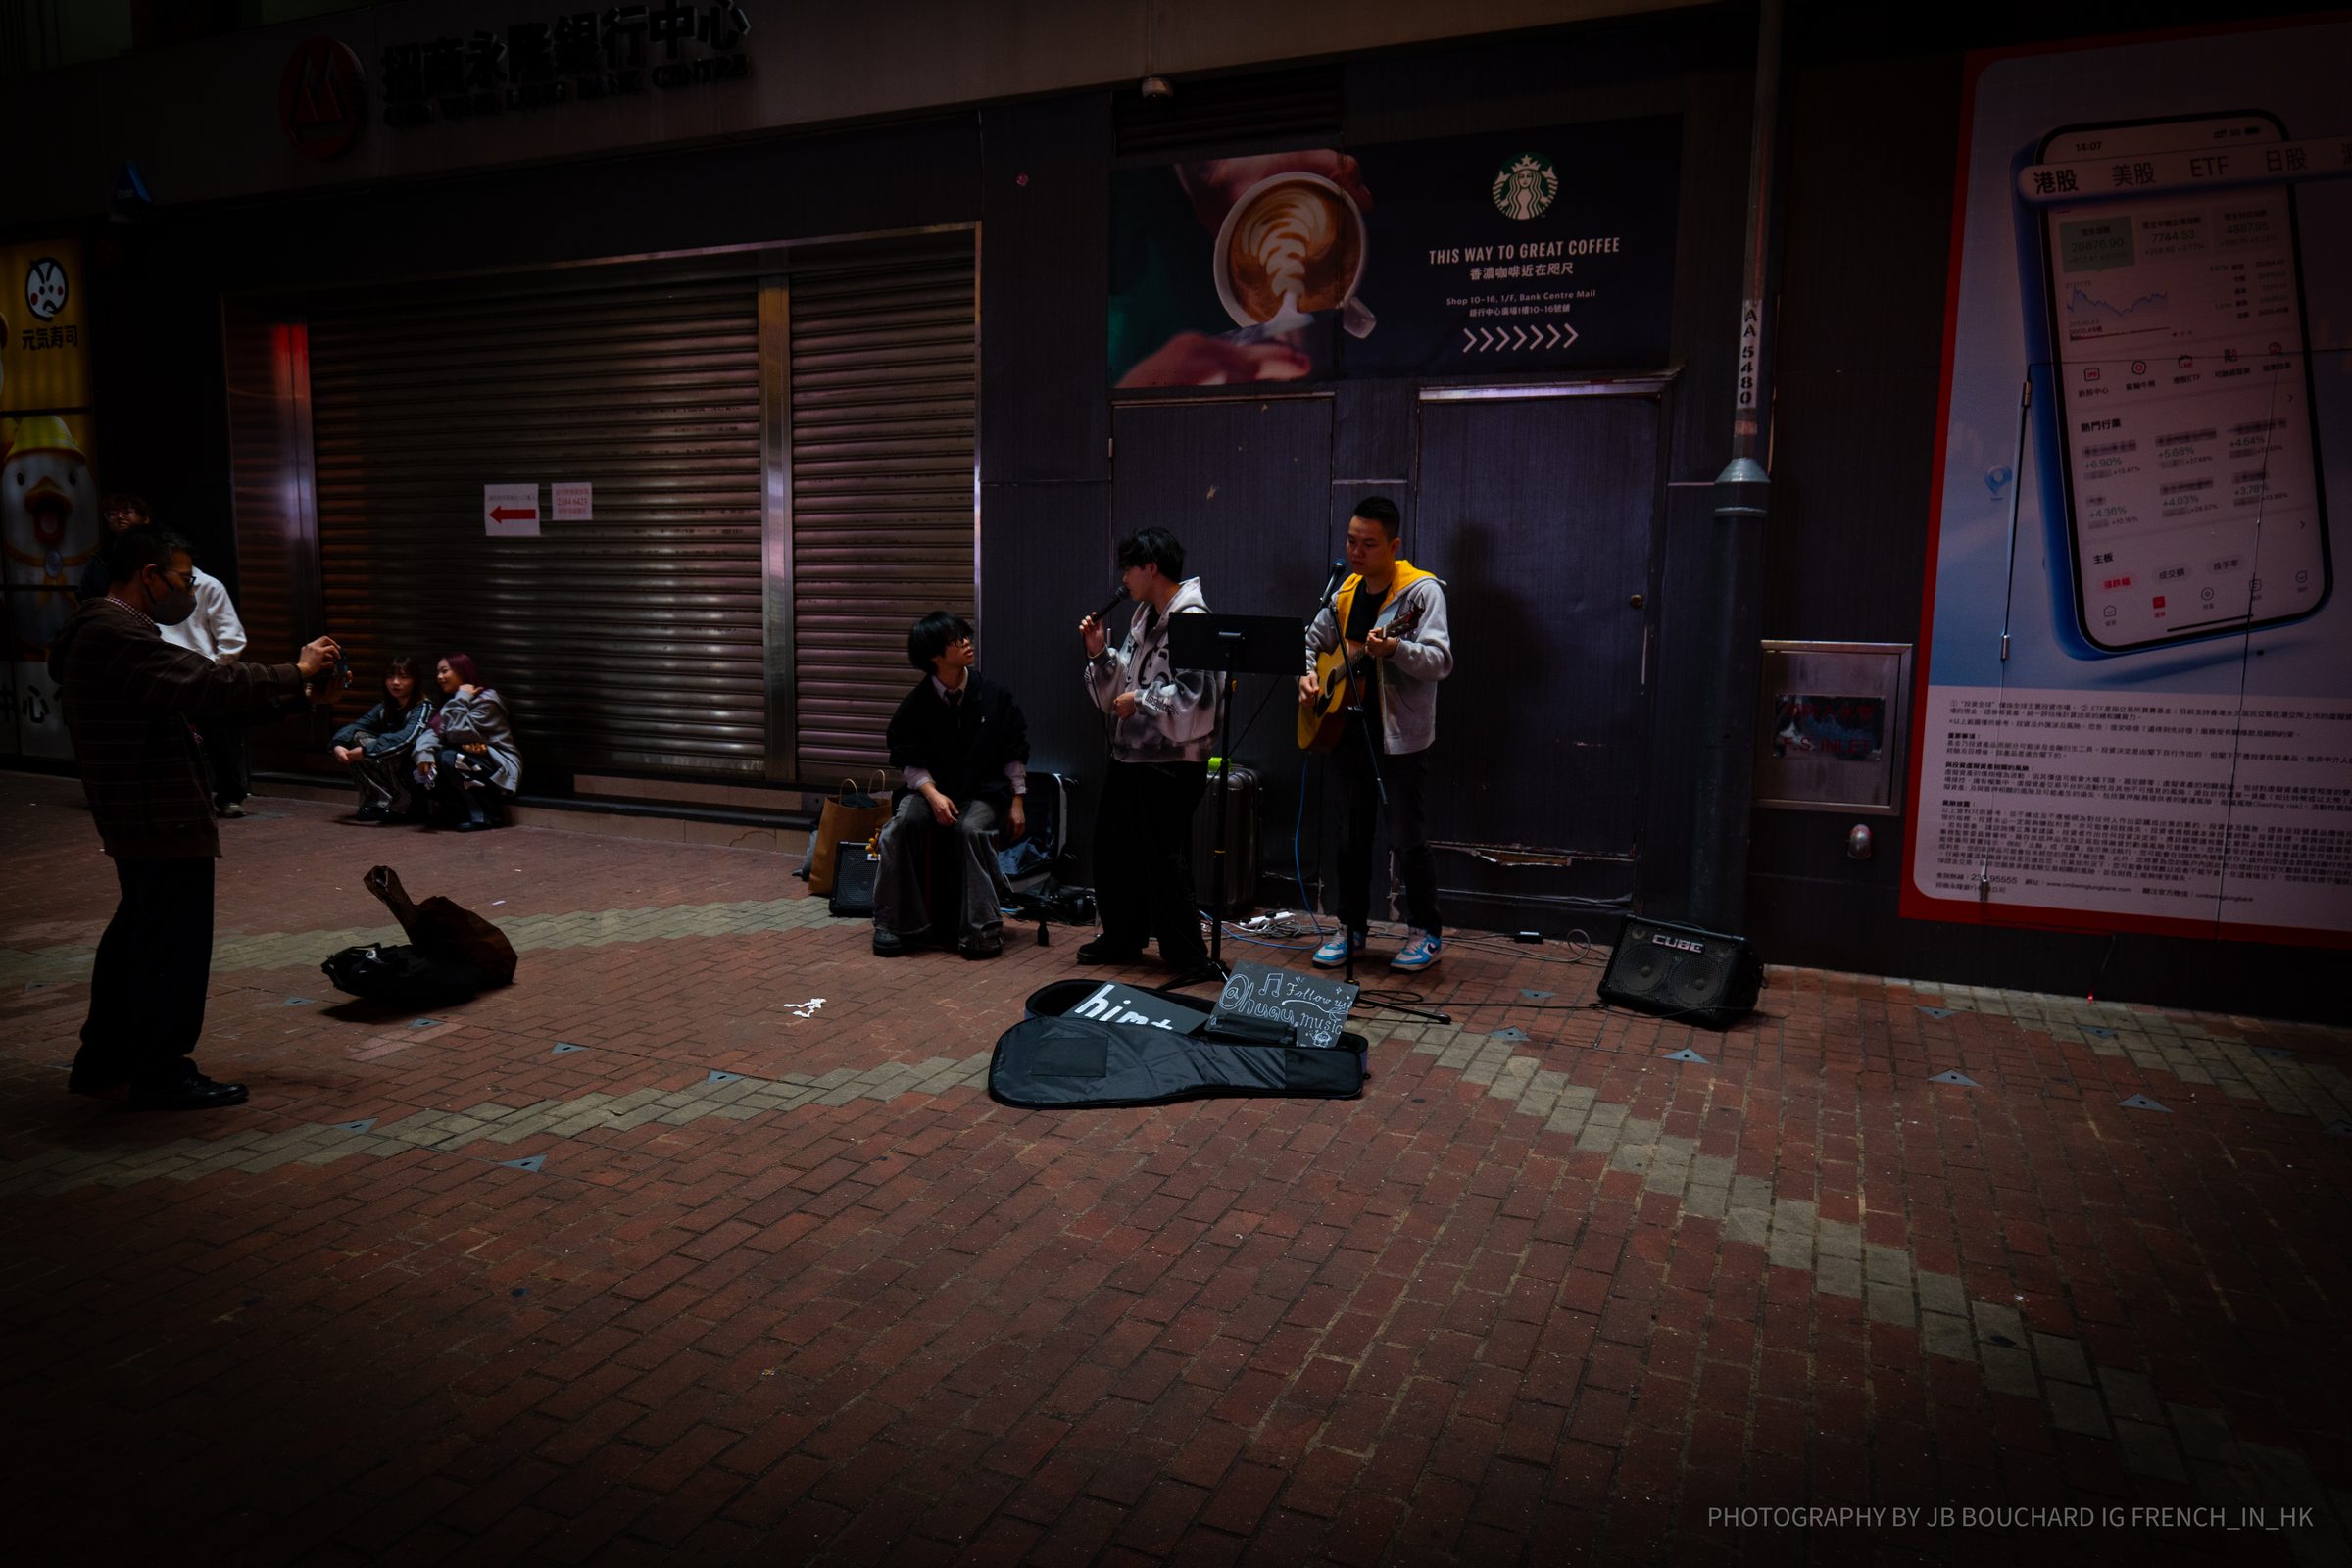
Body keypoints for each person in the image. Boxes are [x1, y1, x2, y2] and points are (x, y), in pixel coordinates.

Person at [50, 525, 339, 1110]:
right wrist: (298, 671)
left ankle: (104, 1057)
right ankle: (161, 1070)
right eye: (184, 577)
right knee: (170, 949)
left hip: (144, 811)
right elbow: (206, 683)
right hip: (154, 812)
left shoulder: (115, 631)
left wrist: (299, 697)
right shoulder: (114, 632)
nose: (191, 588)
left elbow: (201, 700)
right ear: (148, 575)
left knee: (137, 937)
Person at [1298, 495, 1453, 972]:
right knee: (1350, 837)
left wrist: (1395, 650)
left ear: (1394, 544)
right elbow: (1312, 641)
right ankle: (1352, 928)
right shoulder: (1344, 593)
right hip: (1345, 730)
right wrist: (1307, 676)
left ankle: (1425, 932)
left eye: (1369, 543)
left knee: (1406, 836)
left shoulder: (1421, 594)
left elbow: (1439, 661)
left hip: (1399, 738)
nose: (1358, 551)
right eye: (1351, 540)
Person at [1078, 526, 1217, 974]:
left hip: (1173, 764)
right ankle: (1123, 934)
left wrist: (1137, 700)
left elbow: (1197, 701)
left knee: (1163, 854)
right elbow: (1115, 691)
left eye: (1129, 567)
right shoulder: (1144, 618)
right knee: (1113, 847)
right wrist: (1100, 654)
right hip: (1131, 757)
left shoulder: (1192, 617)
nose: (1124, 578)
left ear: (1151, 567)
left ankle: (1186, 954)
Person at [871, 612, 1031, 960]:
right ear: (934, 656)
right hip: (928, 790)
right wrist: (932, 794)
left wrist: (1018, 800)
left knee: (972, 829)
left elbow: (1014, 750)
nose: (966, 643)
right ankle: (892, 924)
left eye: (965, 636)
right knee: (899, 828)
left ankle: (982, 930)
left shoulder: (993, 696)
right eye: (956, 639)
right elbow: (908, 762)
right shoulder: (914, 706)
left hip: (983, 790)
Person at [157, 545, 254, 818]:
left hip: (203, 671)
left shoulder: (208, 586)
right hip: (165, 673)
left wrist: (212, 668)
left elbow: (232, 637)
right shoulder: (152, 590)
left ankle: (230, 795)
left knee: (218, 736)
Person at [413, 653, 520, 832]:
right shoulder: (451, 701)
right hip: (472, 761)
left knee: (450, 757)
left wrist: (462, 697)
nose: (439, 677)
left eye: (444, 671)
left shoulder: (487, 700)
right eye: (437, 672)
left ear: (462, 672)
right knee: (428, 762)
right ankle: (458, 812)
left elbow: (458, 733)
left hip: (497, 767)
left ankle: (486, 815)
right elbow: (433, 732)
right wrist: (424, 755)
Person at [331, 657, 436, 822]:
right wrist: (338, 745)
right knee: (356, 737)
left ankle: (404, 806)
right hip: (392, 764)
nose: (395, 683)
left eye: (403, 677)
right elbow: (358, 725)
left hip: (414, 768)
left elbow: (405, 740)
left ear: (415, 680)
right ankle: (376, 803)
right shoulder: (386, 707)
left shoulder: (423, 707)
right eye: (390, 677)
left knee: (380, 749)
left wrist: (366, 751)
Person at [75, 491, 149, 604]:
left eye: (127, 511)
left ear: (145, 519)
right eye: (112, 514)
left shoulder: (158, 552)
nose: (119, 516)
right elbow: (85, 597)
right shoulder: (101, 558)